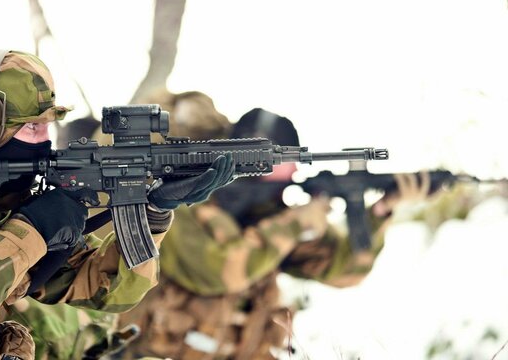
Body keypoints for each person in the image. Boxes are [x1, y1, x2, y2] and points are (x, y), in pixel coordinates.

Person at [0, 49, 234, 359]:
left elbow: (108, 289)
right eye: (32, 126)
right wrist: (33, 229)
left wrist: (155, 210)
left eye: (49, 125)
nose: (45, 140)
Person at [114, 92, 392, 360]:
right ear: (254, 162)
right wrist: (295, 224)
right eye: (285, 159)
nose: (294, 170)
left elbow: (343, 273)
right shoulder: (182, 198)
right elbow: (218, 272)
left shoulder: (269, 212)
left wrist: (380, 212)